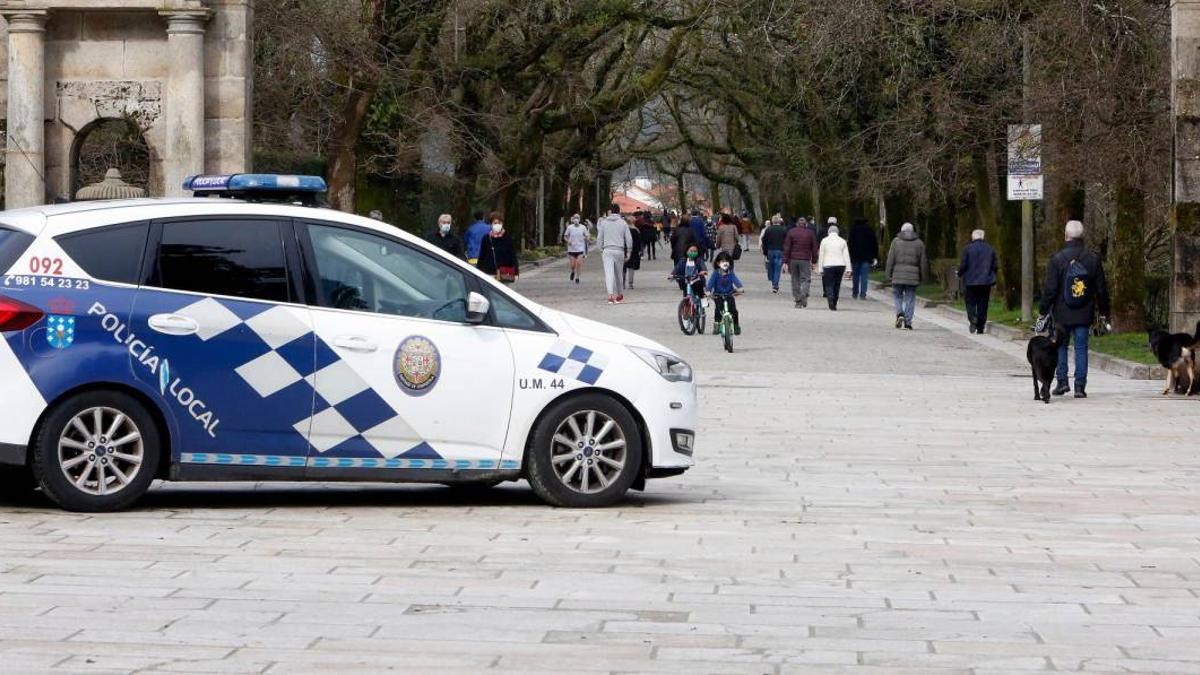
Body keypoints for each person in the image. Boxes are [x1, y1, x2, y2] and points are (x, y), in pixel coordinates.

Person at [1037, 219, 1111, 398]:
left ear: (1066, 235)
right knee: (1081, 347)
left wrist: (1043, 311)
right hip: (1084, 311)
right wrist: (1104, 312)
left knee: (1060, 346)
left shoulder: (1057, 259)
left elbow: (1050, 289)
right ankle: (1080, 386)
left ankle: (1062, 382)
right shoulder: (1093, 259)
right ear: (1082, 236)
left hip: (1062, 312)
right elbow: (1101, 289)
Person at [885, 222, 928, 328]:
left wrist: (888, 274)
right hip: (912, 276)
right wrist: (924, 277)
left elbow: (890, 259)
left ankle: (900, 313)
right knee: (910, 298)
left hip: (897, 274)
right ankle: (908, 322)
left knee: (897, 295)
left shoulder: (895, 241)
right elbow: (923, 262)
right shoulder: (919, 243)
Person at [957, 229, 999, 333]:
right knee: (983, 303)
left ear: (973, 237)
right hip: (985, 281)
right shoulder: (990, 249)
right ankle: (980, 326)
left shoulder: (967, 249)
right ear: (983, 237)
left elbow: (964, 265)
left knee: (970, 302)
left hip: (970, 281)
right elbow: (995, 265)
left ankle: (972, 318)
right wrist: (992, 274)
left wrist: (959, 273)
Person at [596, 203, 633, 304]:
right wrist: (629, 251)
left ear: (610, 211)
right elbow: (629, 238)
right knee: (618, 274)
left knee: (608, 273)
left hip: (607, 250)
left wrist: (600, 249)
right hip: (619, 250)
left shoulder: (604, 223)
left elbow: (599, 238)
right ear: (619, 211)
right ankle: (619, 294)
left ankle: (610, 295)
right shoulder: (623, 223)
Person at [783, 215, 819, 308]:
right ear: (806, 224)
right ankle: (804, 294)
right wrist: (814, 260)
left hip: (793, 259)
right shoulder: (810, 233)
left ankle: (798, 300)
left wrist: (785, 261)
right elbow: (814, 248)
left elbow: (787, 247)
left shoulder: (791, 232)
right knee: (806, 279)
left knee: (795, 279)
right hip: (805, 259)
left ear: (797, 224)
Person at [707, 251, 744, 335]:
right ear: (718, 263)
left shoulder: (731, 273)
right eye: (723, 261)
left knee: (734, 311)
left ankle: (736, 325)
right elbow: (710, 283)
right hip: (718, 295)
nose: (725, 263)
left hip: (729, 294)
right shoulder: (716, 273)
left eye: (727, 261)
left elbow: (736, 280)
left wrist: (740, 288)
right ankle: (716, 324)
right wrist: (708, 291)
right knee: (718, 310)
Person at [817, 224, 852, 310]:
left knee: (829, 283)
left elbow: (821, 255)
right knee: (837, 284)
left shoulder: (824, 241)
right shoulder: (842, 241)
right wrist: (848, 268)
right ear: (838, 232)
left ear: (828, 232)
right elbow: (846, 255)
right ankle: (835, 301)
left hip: (828, 265)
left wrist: (820, 268)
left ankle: (830, 298)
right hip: (840, 265)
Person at [476, 213, 519, 283]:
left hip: (505, 273)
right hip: (489, 273)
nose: (497, 225)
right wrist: (478, 271)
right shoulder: (486, 238)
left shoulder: (507, 238)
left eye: (499, 223)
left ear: (502, 224)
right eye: (495, 223)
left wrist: (516, 272)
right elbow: (482, 256)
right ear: (491, 224)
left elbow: (513, 256)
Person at [847, 217, 879, 300]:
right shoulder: (870, 230)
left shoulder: (853, 230)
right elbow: (874, 244)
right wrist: (875, 256)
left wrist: (850, 256)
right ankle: (863, 294)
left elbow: (850, 244)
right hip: (867, 257)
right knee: (864, 276)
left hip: (855, 257)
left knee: (855, 276)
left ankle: (855, 292)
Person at [760, 214, 788, 293]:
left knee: (771, 267)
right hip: (780, 251)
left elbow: (764, 241)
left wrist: (765, 252)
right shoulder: (783, 230)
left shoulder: (768, 229)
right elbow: (786, 242)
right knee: (777, 268)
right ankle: (775, 284)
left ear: (772, 221)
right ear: (779, 221)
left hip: (770, 251)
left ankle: (773, 282)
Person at [563, 213, 590, 284]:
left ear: (579, 219)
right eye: (575, 218)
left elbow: (587, 235)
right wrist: (568, 241)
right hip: (571, 249)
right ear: (573, 219)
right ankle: (572, 271)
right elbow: (565, 236)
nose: (576, 219)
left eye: (577, 218)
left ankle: (577, 278)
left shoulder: (583, 227)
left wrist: (587, 238)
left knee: (579, 263)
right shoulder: (570, 227)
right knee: (573, 265)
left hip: (580, 249)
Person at [624, 216, 644, 289]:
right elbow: (639, 242)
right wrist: (640, 251)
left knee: (623, 267)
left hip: (624, 250)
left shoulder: (624, 230)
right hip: (634, 251)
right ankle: (630, 284)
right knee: (631, 268)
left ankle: (622, 283)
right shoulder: (636, 230)